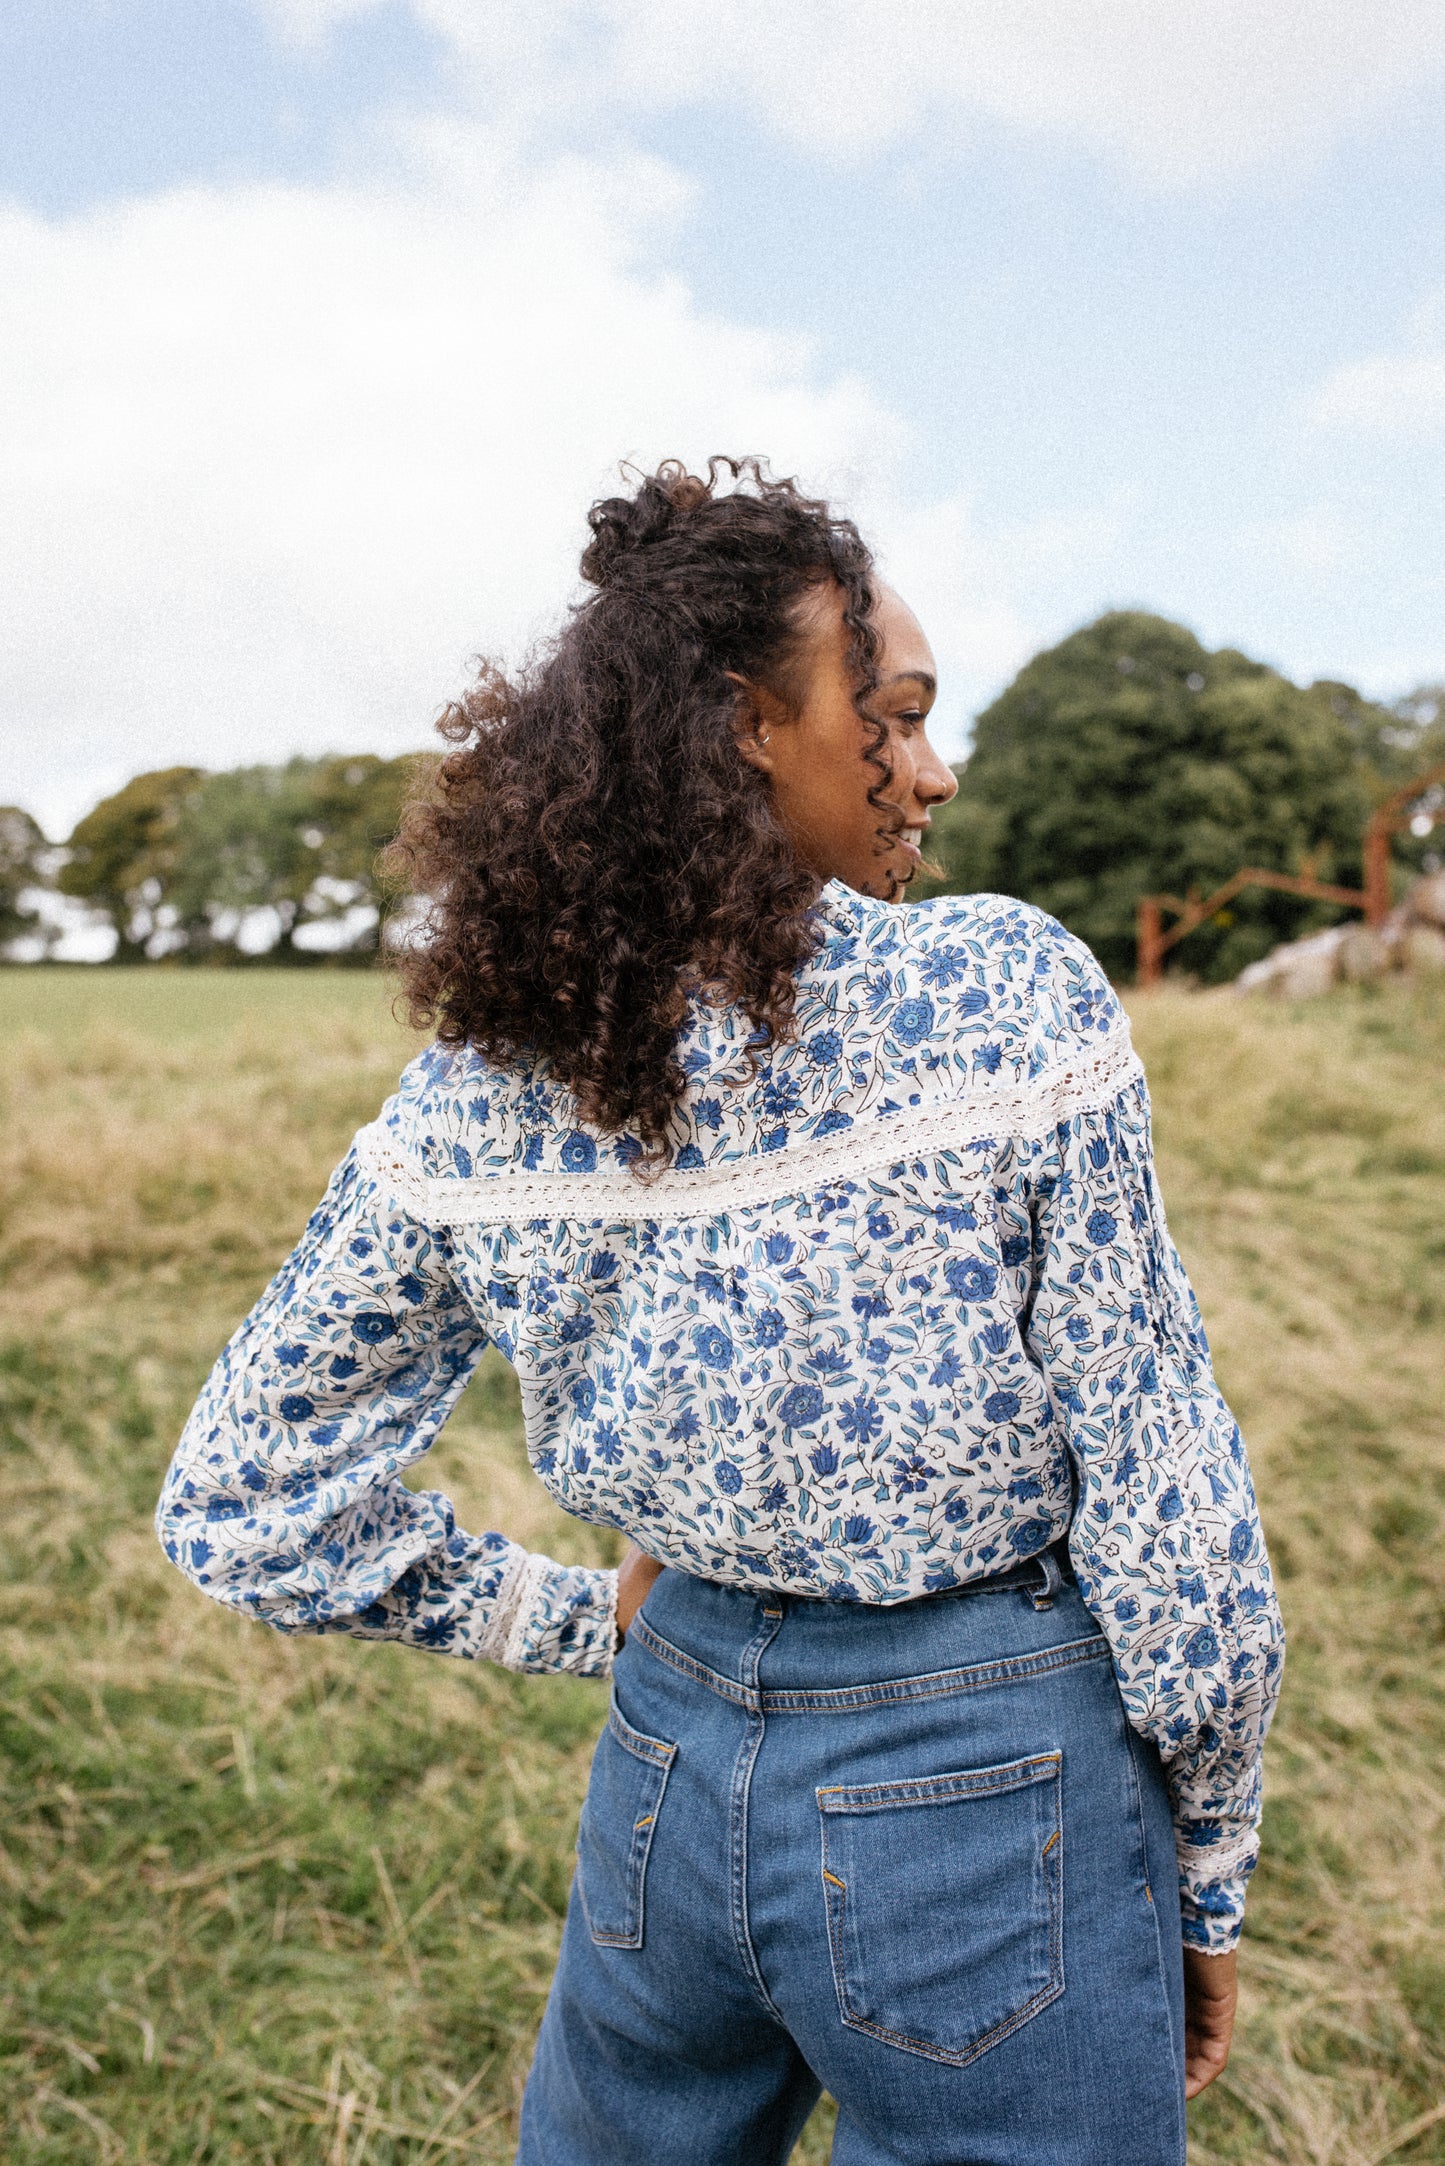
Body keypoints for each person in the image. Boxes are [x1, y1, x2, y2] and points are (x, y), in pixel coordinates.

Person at [157, 458, 1283, 2165]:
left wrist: (579, 1626)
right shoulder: (999, 990)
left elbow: (241, 1502)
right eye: (887, 719)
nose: (932, 768)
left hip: (664, 1783)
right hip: (991, 1793)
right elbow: (1163, 1492)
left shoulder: (479, 1089)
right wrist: (1204, 1870)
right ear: (749, 724)